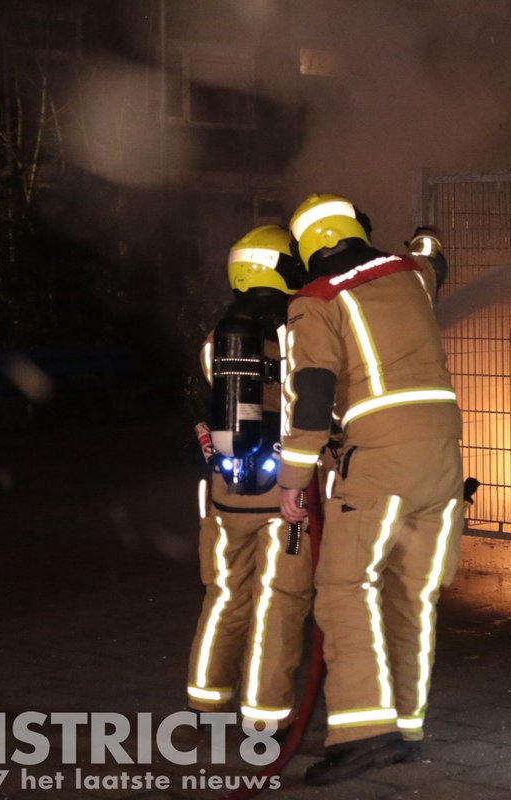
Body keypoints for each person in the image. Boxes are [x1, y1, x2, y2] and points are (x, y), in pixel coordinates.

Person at [276, 194, 463, 786]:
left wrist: (293, 477)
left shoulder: (317, 300)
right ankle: (406, 727)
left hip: (381, 459)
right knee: (413, 594)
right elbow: (435, 253)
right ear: (357, 229)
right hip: (442, 457)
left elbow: (310, 390)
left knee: (344, 588)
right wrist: (425, 235)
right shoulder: (411, 274)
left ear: (308, 249)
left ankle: (363, 735)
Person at [185, 225, 314, 733]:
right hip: (286, 497)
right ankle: (266, 716)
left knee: (223, 597)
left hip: (224, 494)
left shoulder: (217, 340)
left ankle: (206, 701)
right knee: (278, 605)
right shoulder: (301, 334)